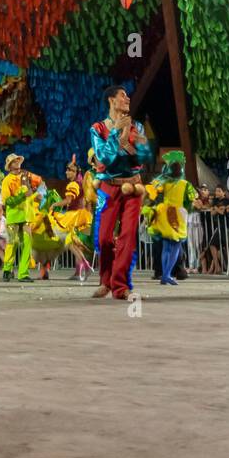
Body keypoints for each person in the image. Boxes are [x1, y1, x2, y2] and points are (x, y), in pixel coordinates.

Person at [90, 85, 151, 300]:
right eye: (123, 95)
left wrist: (130, 141)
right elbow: (104, 158)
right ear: (111, 100)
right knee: (104, 237)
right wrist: (117, 133)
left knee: (127, 237)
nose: (127, 98)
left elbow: (143, 156)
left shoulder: (138, 128)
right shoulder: (97, 129)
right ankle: (105, 280)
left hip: (133, 187)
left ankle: (120, 286)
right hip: (108, 187)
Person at [142, 152, 197, 286]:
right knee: (176, 246)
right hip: (177, 215)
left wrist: (149, 210)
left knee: (166, 247)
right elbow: (191, 202)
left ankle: (164, 275)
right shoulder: (185, 184)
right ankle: (166, 275)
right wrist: (187, 209)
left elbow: (150, 196)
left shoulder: (163, 183)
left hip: (163, 213)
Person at [1, 154, 39, 283]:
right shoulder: (7, 180)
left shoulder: (27, 176)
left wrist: (37, 193)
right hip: (13, 216)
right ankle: (7, 270)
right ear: (9, 165)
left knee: (27, 244)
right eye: (13, 161)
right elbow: (8, 201)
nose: (16, 162)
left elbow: (40, 184)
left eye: (17, 160)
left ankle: (23, 273)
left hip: (27, 214)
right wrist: (24, 195)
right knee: (12, 243)